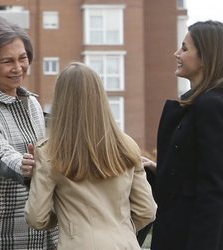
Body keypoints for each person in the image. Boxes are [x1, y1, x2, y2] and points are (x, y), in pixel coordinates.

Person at [24, 62, 157, 250]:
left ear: (61, 99)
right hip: (125, 243)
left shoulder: (49, 151)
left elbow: (36, 218)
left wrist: (63, 218)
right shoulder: (126, 145)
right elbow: (147, 211)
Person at [150, 20, 223, 250]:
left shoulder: (211, 106)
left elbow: (214, 188)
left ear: (206, 57)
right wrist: (158, 169)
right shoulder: (202, 104)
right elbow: (195, 173)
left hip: (189, 238)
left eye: (185, 48)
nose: (176, 53)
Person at [0, 15, 58, 249]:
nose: (18, 68)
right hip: (1, 234)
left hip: (44, 229)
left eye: (23, 58)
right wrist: (24, 165)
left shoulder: (32, 103)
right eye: (7, 61)